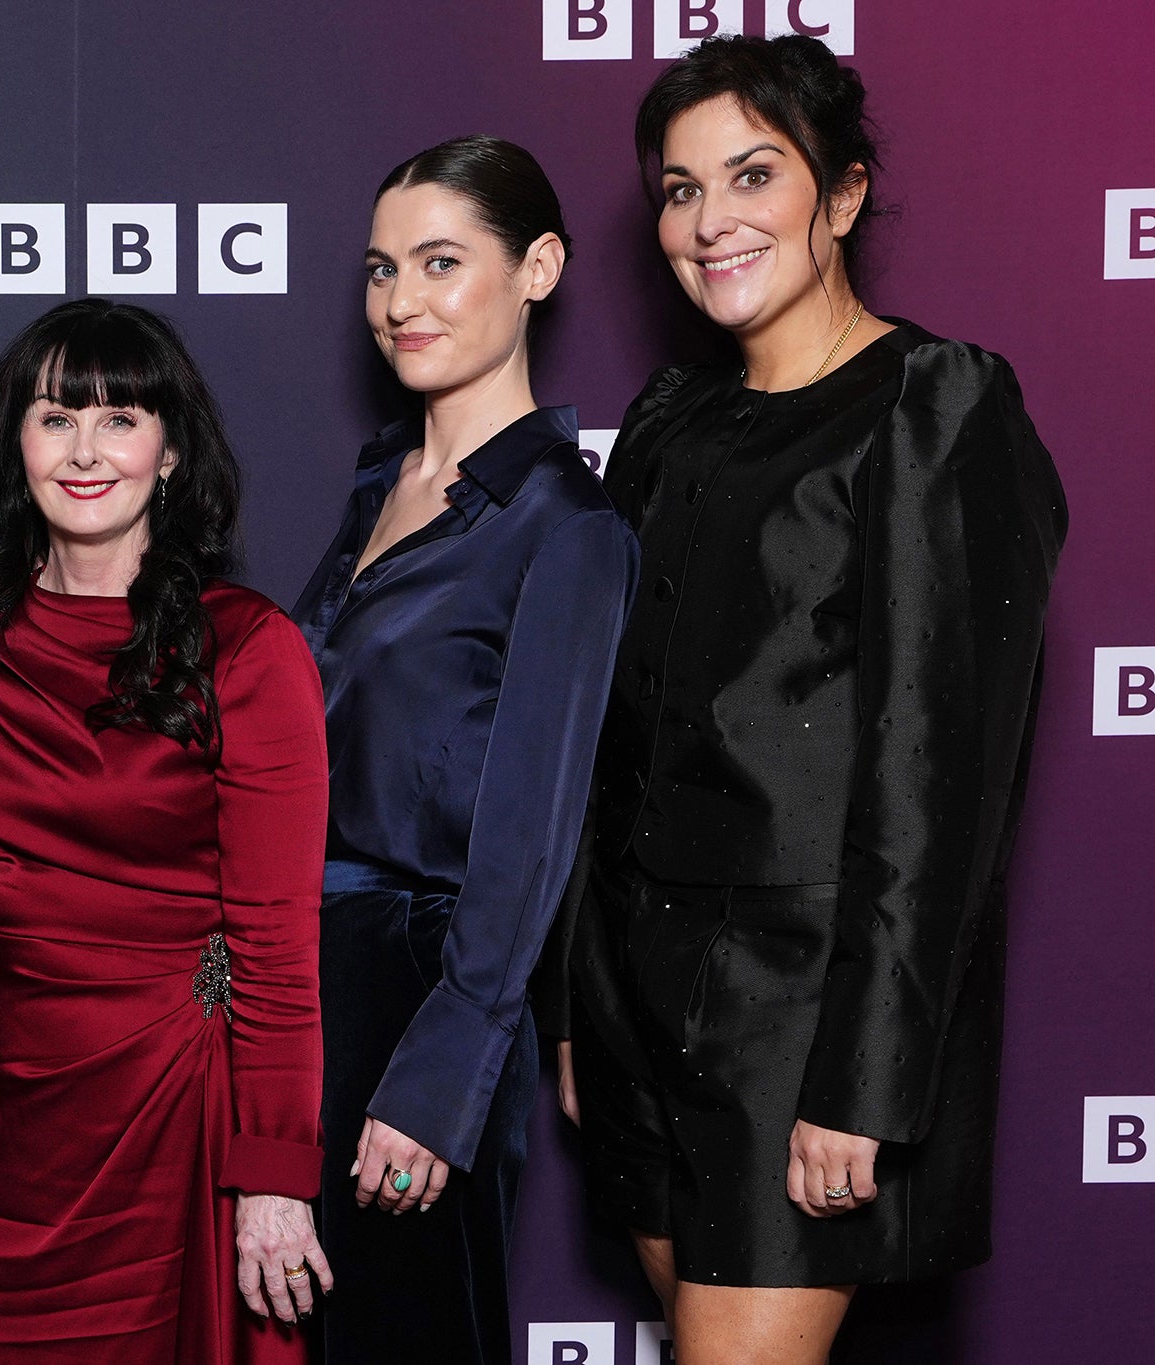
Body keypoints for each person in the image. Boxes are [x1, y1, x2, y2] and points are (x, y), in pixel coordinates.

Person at [544, 35, 1068, 1365]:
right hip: (634, 1001)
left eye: (751, 176)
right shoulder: (670, 421)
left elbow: (936, 772)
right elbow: (609, 732)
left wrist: (868, 1074)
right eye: (677, 188)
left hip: (800, 1014)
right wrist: (574, 1002)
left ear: (841, 197)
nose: (709, 221)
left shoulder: (933, 406)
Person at [0, 298, 333, 1362]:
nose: (86, 450)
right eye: (55, 418)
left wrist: (274, 1182)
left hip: (169, 1115)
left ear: (169, 451)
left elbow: (280, 951)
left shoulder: (245, 651)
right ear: (14, 444)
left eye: (120, 419)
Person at [288, 137, 638, 1363]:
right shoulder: (380, 481)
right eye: (382, 269)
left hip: (417, 999)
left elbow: (532, 837)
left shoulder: (566, 525)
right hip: (303, 992)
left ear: (536, 267)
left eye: (441, 263)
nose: (400, 302)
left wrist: (444, 1074)